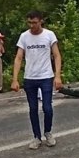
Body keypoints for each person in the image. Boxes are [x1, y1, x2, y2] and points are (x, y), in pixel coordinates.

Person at [12, 10, 63, 150]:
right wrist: (15, 79)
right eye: (29, 22)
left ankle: (48, 132)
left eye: (34, 22)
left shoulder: (49, 35)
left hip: (46, 76)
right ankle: (36, 136)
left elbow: (57, 55)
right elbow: (18, 58)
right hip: (30, 77)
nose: (32, 25)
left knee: (47, 107)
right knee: (33, 108)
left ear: (41, 21)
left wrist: (57, 75)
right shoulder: (24, 36)